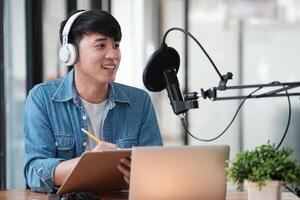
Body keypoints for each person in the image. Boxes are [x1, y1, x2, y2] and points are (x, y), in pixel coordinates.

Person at [23, 9, 163, 193]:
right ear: (70, 53)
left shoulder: (139, 101)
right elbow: (35, 172)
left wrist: (143, 174)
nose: (113, 55)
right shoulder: (42, 98)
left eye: (116, 45)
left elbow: (157, 168)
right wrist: (88, 164)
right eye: (101, 45)